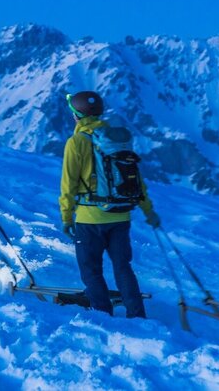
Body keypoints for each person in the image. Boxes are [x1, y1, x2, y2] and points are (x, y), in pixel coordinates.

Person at [60, 90, 161, 318]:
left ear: (76, 115)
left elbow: (68, 185)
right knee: (123, 268)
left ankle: (103, 314)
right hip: (120, 216)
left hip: (89, 219)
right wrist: (149, 211)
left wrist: (66, 217)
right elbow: (136, 180)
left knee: (91, 269)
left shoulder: (76, 142)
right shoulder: (118, 139)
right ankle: (137, 314)